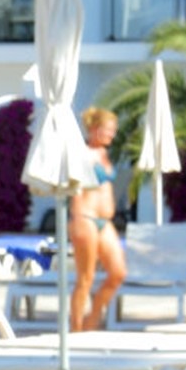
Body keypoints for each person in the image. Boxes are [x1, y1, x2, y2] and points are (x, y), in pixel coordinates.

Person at [69, 107, 130, 333]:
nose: (112, 134)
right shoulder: (82, 153)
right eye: (108, 129)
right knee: (85, 278)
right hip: (85, 217)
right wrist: (76, 218)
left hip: (106, 222)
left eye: (113, 130)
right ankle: (75, 331)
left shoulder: (104, 154)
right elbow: (75, 186)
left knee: (118, 273)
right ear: (94, 129)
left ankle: (92, 319)